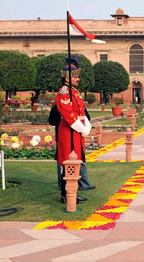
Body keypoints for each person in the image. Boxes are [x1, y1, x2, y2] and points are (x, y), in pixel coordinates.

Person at [55, 55, 92, 205]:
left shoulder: (74, 92)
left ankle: (73, 193)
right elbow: (68, 114)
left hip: (75, 132)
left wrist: (86, 125)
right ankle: (66, 195)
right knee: (68, 165)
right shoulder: (65, 92)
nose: (78, 79)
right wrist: (81, 128)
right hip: (69, 132)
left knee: (75, 163)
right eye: (76, 77)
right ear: (68, 78)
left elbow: (80, 112)